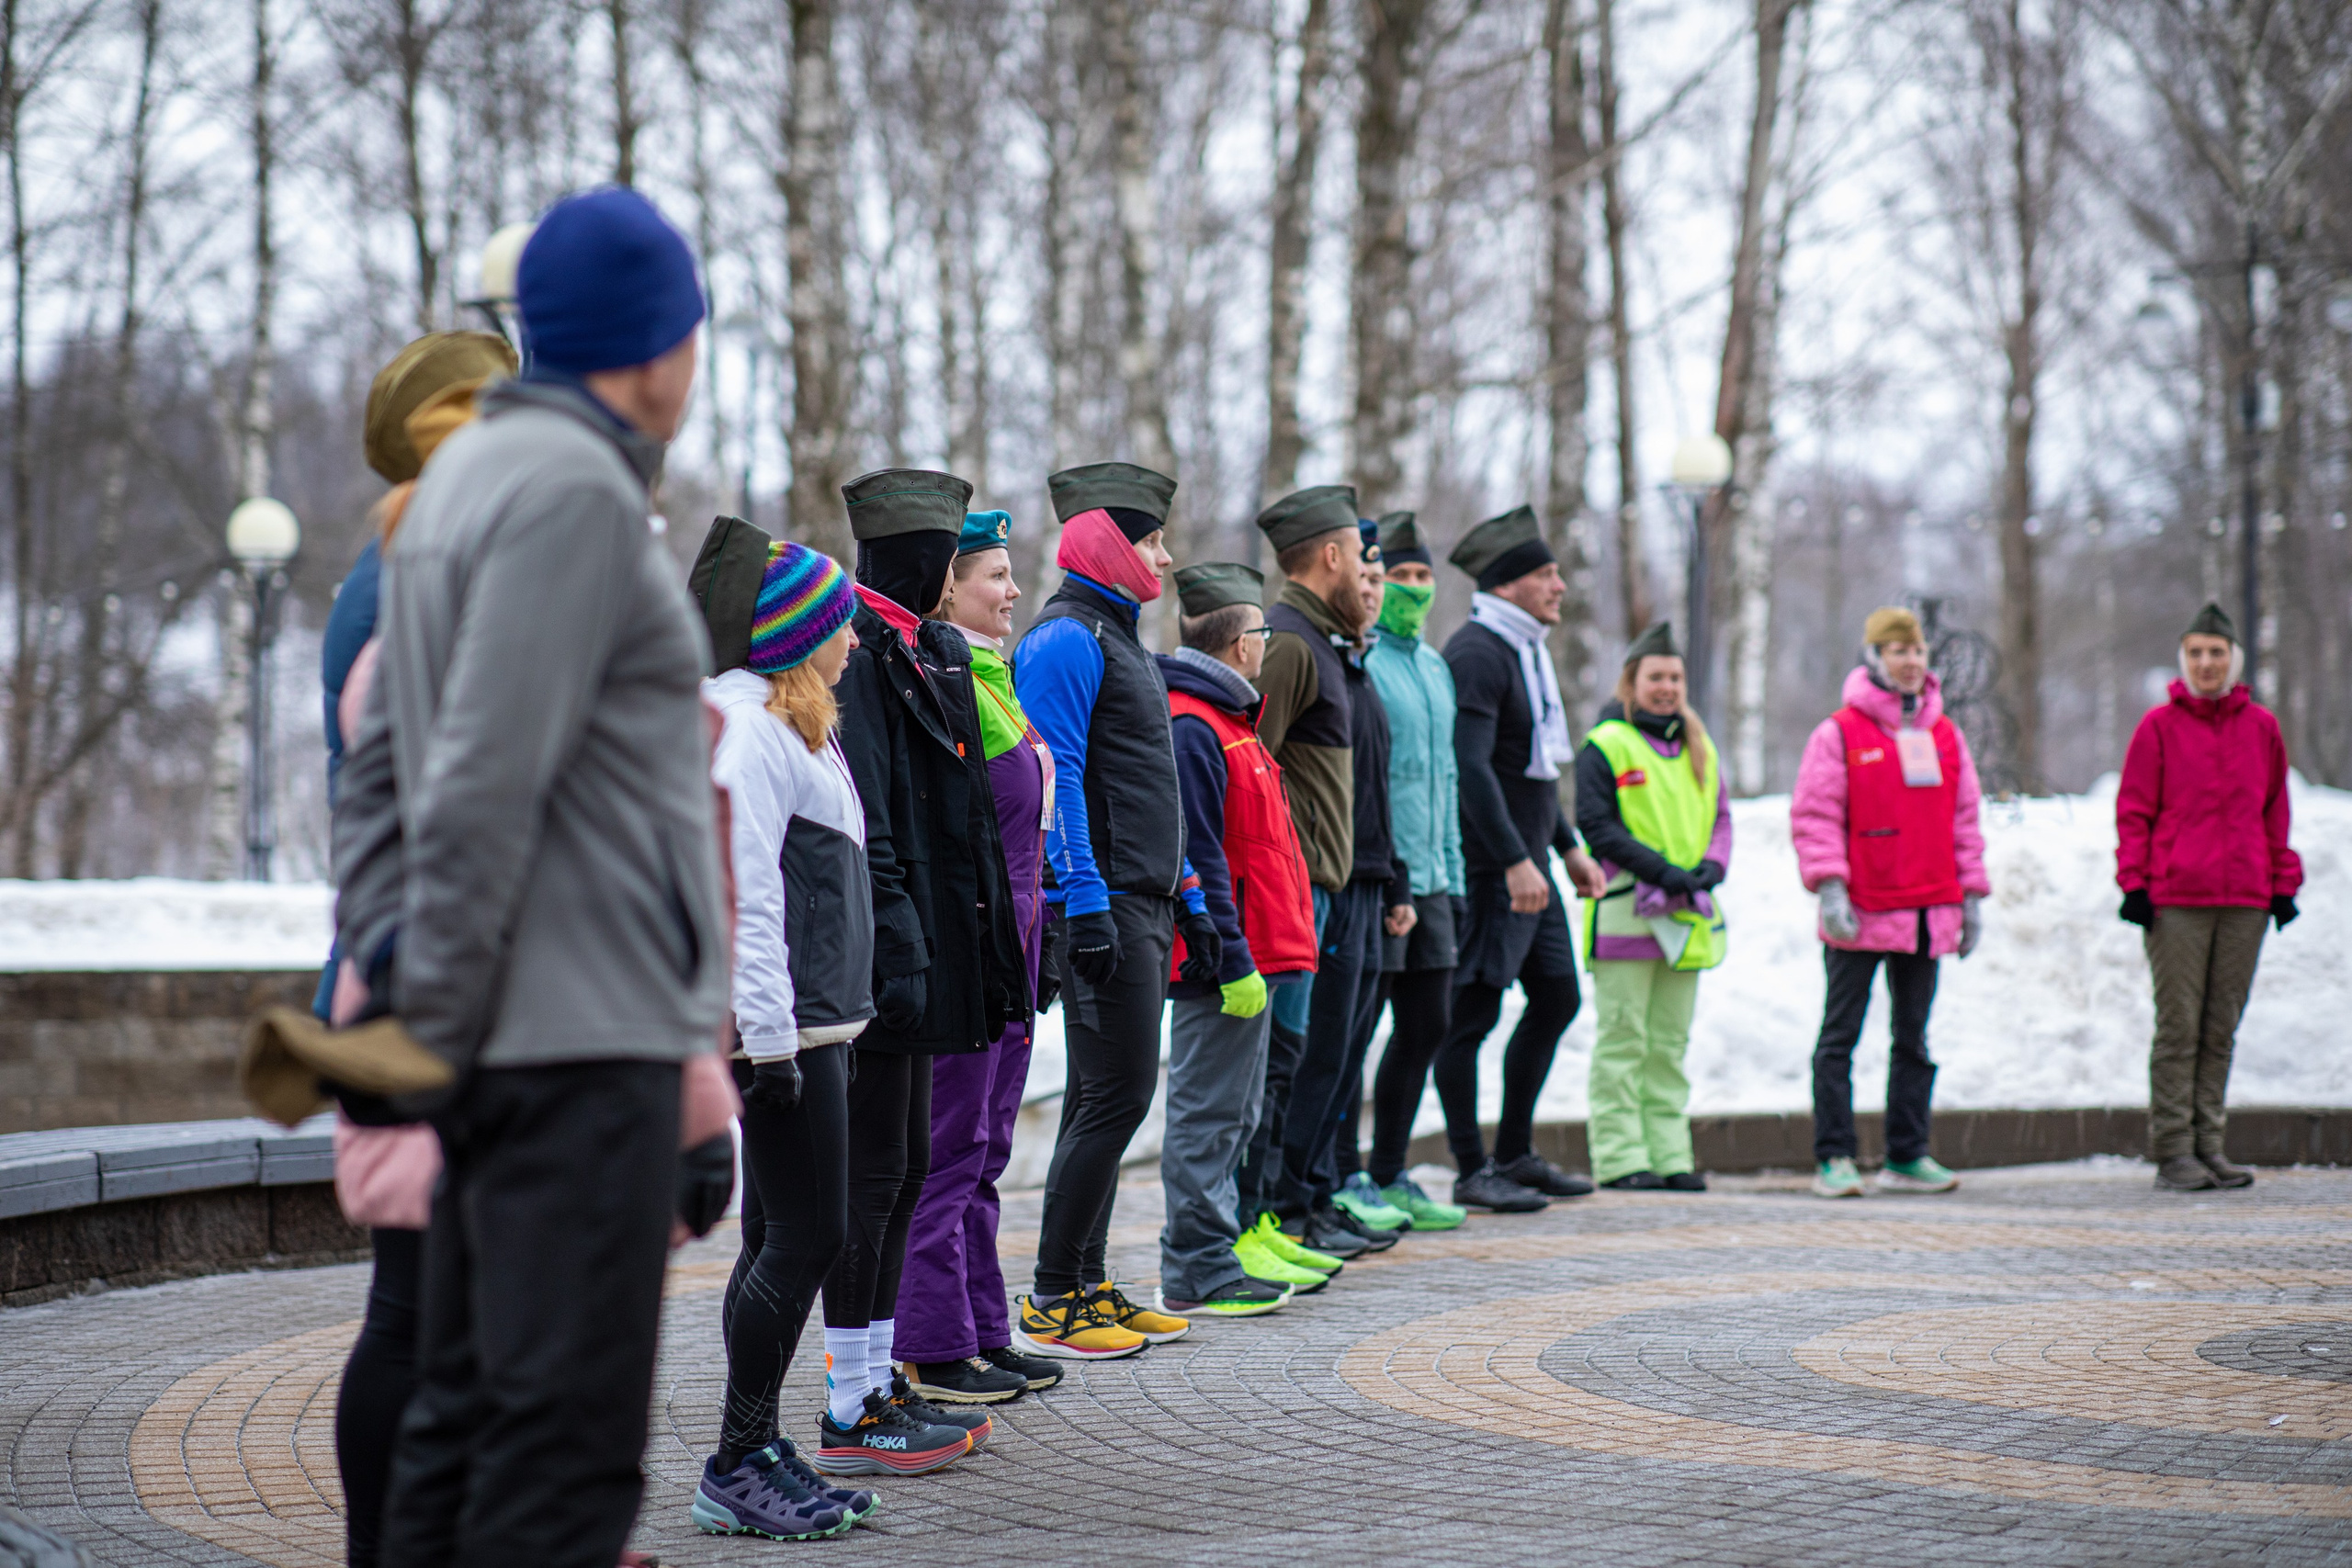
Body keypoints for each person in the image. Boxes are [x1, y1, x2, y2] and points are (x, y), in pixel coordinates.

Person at [339, 186, 735, 1568]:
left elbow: (382, 776)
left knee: (462, 1427)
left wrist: (395, 974)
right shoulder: (573, 492)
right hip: (574, 1050)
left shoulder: (458, 487)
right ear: (649, 345)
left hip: (517, 1035)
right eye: (691, 327)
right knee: (561, 1465)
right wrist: (432, 1024)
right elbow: (481, 782)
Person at [693, 536, 935, 1533]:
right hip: (782, 1033)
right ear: (796, 634)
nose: (850, 637)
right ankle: (735, 1459)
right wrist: (770, 1040)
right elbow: (744, 896)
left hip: (818, 1024)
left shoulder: (798, 728)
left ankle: (757, 1444)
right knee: (808, 1234)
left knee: (778, 1237)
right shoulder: (748, 734)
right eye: (835, 623)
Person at [324, 330, 514, 1568]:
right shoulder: (416, 573)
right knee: (417, 1303)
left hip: (434, 963)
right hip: (431, 971)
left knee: (444, 1305)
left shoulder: (398, 564)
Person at [822, 468, 1024, 1472]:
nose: (963, 578)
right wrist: (902, 952)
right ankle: (848, 1391)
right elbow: (877, 824)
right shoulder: (862, 658)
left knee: (902, 1174)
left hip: (934, 948)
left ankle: (871, 1374)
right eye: (953, 558)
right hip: (890, 960)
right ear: (923, 562)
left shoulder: (920, 649)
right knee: (873, 1182)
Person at [1012, 462, 1216, 1357]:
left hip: (1143, 899)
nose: (1165, 559)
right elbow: (1056, 783)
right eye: (1151, 540)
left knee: (1108, 1097)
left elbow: (1147, 784)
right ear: (1103, 541)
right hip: (1103, 908)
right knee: (1115, 1097)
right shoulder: (1064, 639)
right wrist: (1083, 905)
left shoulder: (1120, 637)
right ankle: (1054, 1296)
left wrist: (1194, 896)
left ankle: (1088, 1283)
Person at [898, 511, 1068, 1403]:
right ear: (948, 587)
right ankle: (929, 1339)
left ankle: (980, 1326)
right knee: (949, 1147)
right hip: (972, 949)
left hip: (1018, 944)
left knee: (987, 1146)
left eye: (1010, 574)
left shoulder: (992, 677)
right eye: (994, 575)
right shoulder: (940, 675)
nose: (1012, 591)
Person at [1157, 562, 1323, 1315]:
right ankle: (1196, 1265)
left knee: (1236, 1114)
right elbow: (1200, 853)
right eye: (1262, 628)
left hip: (1246, 955)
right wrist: (1229, 955)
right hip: (1221, 962)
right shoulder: (1198, 726)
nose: (1267, 641)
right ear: (1239, 644)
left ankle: (1211, 1253)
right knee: (1208, 1114)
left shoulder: (1231, 724)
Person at [1432, 506, 1609, 1212]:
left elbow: (1531, 770)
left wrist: (1567, 846)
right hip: (1492, 871)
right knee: (1469, 1018)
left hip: (1531, 866)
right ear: (1507, 584)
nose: (1559, 585)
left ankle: (1515, 1151)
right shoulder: (1478, 652)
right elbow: (1470, 767)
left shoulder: (1525, 649)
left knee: (1557, 996)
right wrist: (1512, 858)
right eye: (1545, 573)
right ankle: (1473, 1168)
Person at [1248, 484, 1400, 1259]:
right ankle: (1281, 1206)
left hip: (1331, 888)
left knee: (1326, 1053)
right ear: (1333, 557)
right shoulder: (1291, 643)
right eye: (1360, 559)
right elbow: (1246, 766)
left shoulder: (1323, 643)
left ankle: (1305, 1197)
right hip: (1297, 893)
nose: (1371, 578)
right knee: (1294, 1060)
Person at [1790, 606, 1988, 1200]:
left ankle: (1907, 1153)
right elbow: (1816, 814)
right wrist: (1830, 886)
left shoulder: (1945, 735)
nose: (1909, 661)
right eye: (1897, 651)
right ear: (1874, 658)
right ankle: (1834, 1156)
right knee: (1839, 1037)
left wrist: (1970, 897)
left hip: (1928, 909)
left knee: (1914, 1038)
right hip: (1862, 908)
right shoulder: (1840, 732)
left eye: (1917, 651)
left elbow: (1966, 821)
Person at [2116, 602, 2301, 1193]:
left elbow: (2275, 811)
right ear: (2183, 659)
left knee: (2220, 1027)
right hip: (2177, 902)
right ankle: (2174, 1149)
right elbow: (2134, 813)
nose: (2206, 663)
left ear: (2233, 660)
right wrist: (2136, 885)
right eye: (2196, 653)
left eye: (2216, 653)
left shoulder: (2262, 729)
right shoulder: (2159, 728)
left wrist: (2281, 885)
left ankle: (2209, 1144)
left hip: (2244, 899)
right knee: (2180, 1027)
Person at [1575, 622, 1730, 1192]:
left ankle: (1670, 1154)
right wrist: (1663, 871)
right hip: (1625, 914)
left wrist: (1711, 869)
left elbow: (1721, 819)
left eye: (1675, 677)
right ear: (1631, 682)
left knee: (1668, 1043)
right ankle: (1620, 1158)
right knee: (1624, 1040)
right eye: (1655, 677)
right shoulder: (1607, 745)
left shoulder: (1700, 745)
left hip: (1685, 918)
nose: (1667, 687)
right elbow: (1596, 826)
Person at [1357, 513, 1469, 1231]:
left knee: (1428, 1022)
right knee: (1359, 1027)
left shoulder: (1435, 667)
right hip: (1383, 873)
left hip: (1435, 875)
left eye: (1425, 576)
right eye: (1400, 574)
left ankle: (1390, 1169)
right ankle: (1340, 1170)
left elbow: (1447, 777)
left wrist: (1454, 875)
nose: (1414, 588)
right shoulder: (1365, 661)